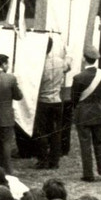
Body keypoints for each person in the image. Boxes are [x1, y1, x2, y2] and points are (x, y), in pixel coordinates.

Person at [71, 44, 101, 182]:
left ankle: (88, 174)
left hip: (83, 113)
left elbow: (74, 99)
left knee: (85, 144)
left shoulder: (78, 78)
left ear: (83, 59)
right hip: (99, 111)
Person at [34, 37, 69, 170]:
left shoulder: (38, 65)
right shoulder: (59, 62)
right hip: (56, 100)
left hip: (42, 101)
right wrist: (69, 54)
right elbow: (67, 67)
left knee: (41, 131)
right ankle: (54, 160)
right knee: (56, 131)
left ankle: (42, 159)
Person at [0, 53, 23, 175]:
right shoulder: (10, 78)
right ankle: (8, 170)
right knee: (6, 144)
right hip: (6, 115)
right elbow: (18, 96)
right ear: (4, 64)